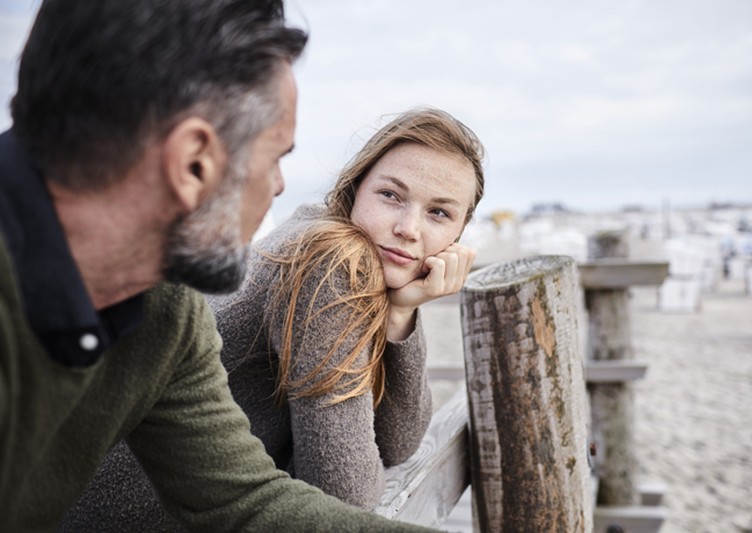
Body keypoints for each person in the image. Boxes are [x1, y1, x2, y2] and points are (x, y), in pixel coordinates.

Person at [0, 0, 436, 531]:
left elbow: (240, 499)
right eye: (275, 157)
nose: (279, 186)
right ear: (193, 163)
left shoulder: (164, 307)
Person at [60, 107, 486, 528]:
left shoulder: (342, 250)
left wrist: (401, 313)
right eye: (390, 195)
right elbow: (344, 495)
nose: (408, 228)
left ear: (458, 236)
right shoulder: (329, 261)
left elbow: (398, 443)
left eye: (439, 213)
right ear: (356, 188)